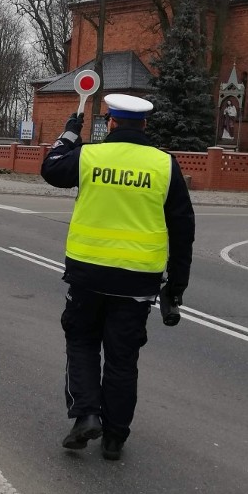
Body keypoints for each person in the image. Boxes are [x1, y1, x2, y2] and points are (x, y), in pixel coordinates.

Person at [41, 94, 195, 461]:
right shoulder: (164, 165)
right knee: (122, 359)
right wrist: (176, 285)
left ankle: (85, 416)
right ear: (145, 125)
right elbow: (183, 228)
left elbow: (51, 169)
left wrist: (69, 135)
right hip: (137, 283)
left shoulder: (90, 156)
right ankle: (114, 438)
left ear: (110, 123)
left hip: (87, 273)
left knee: (81, 344)